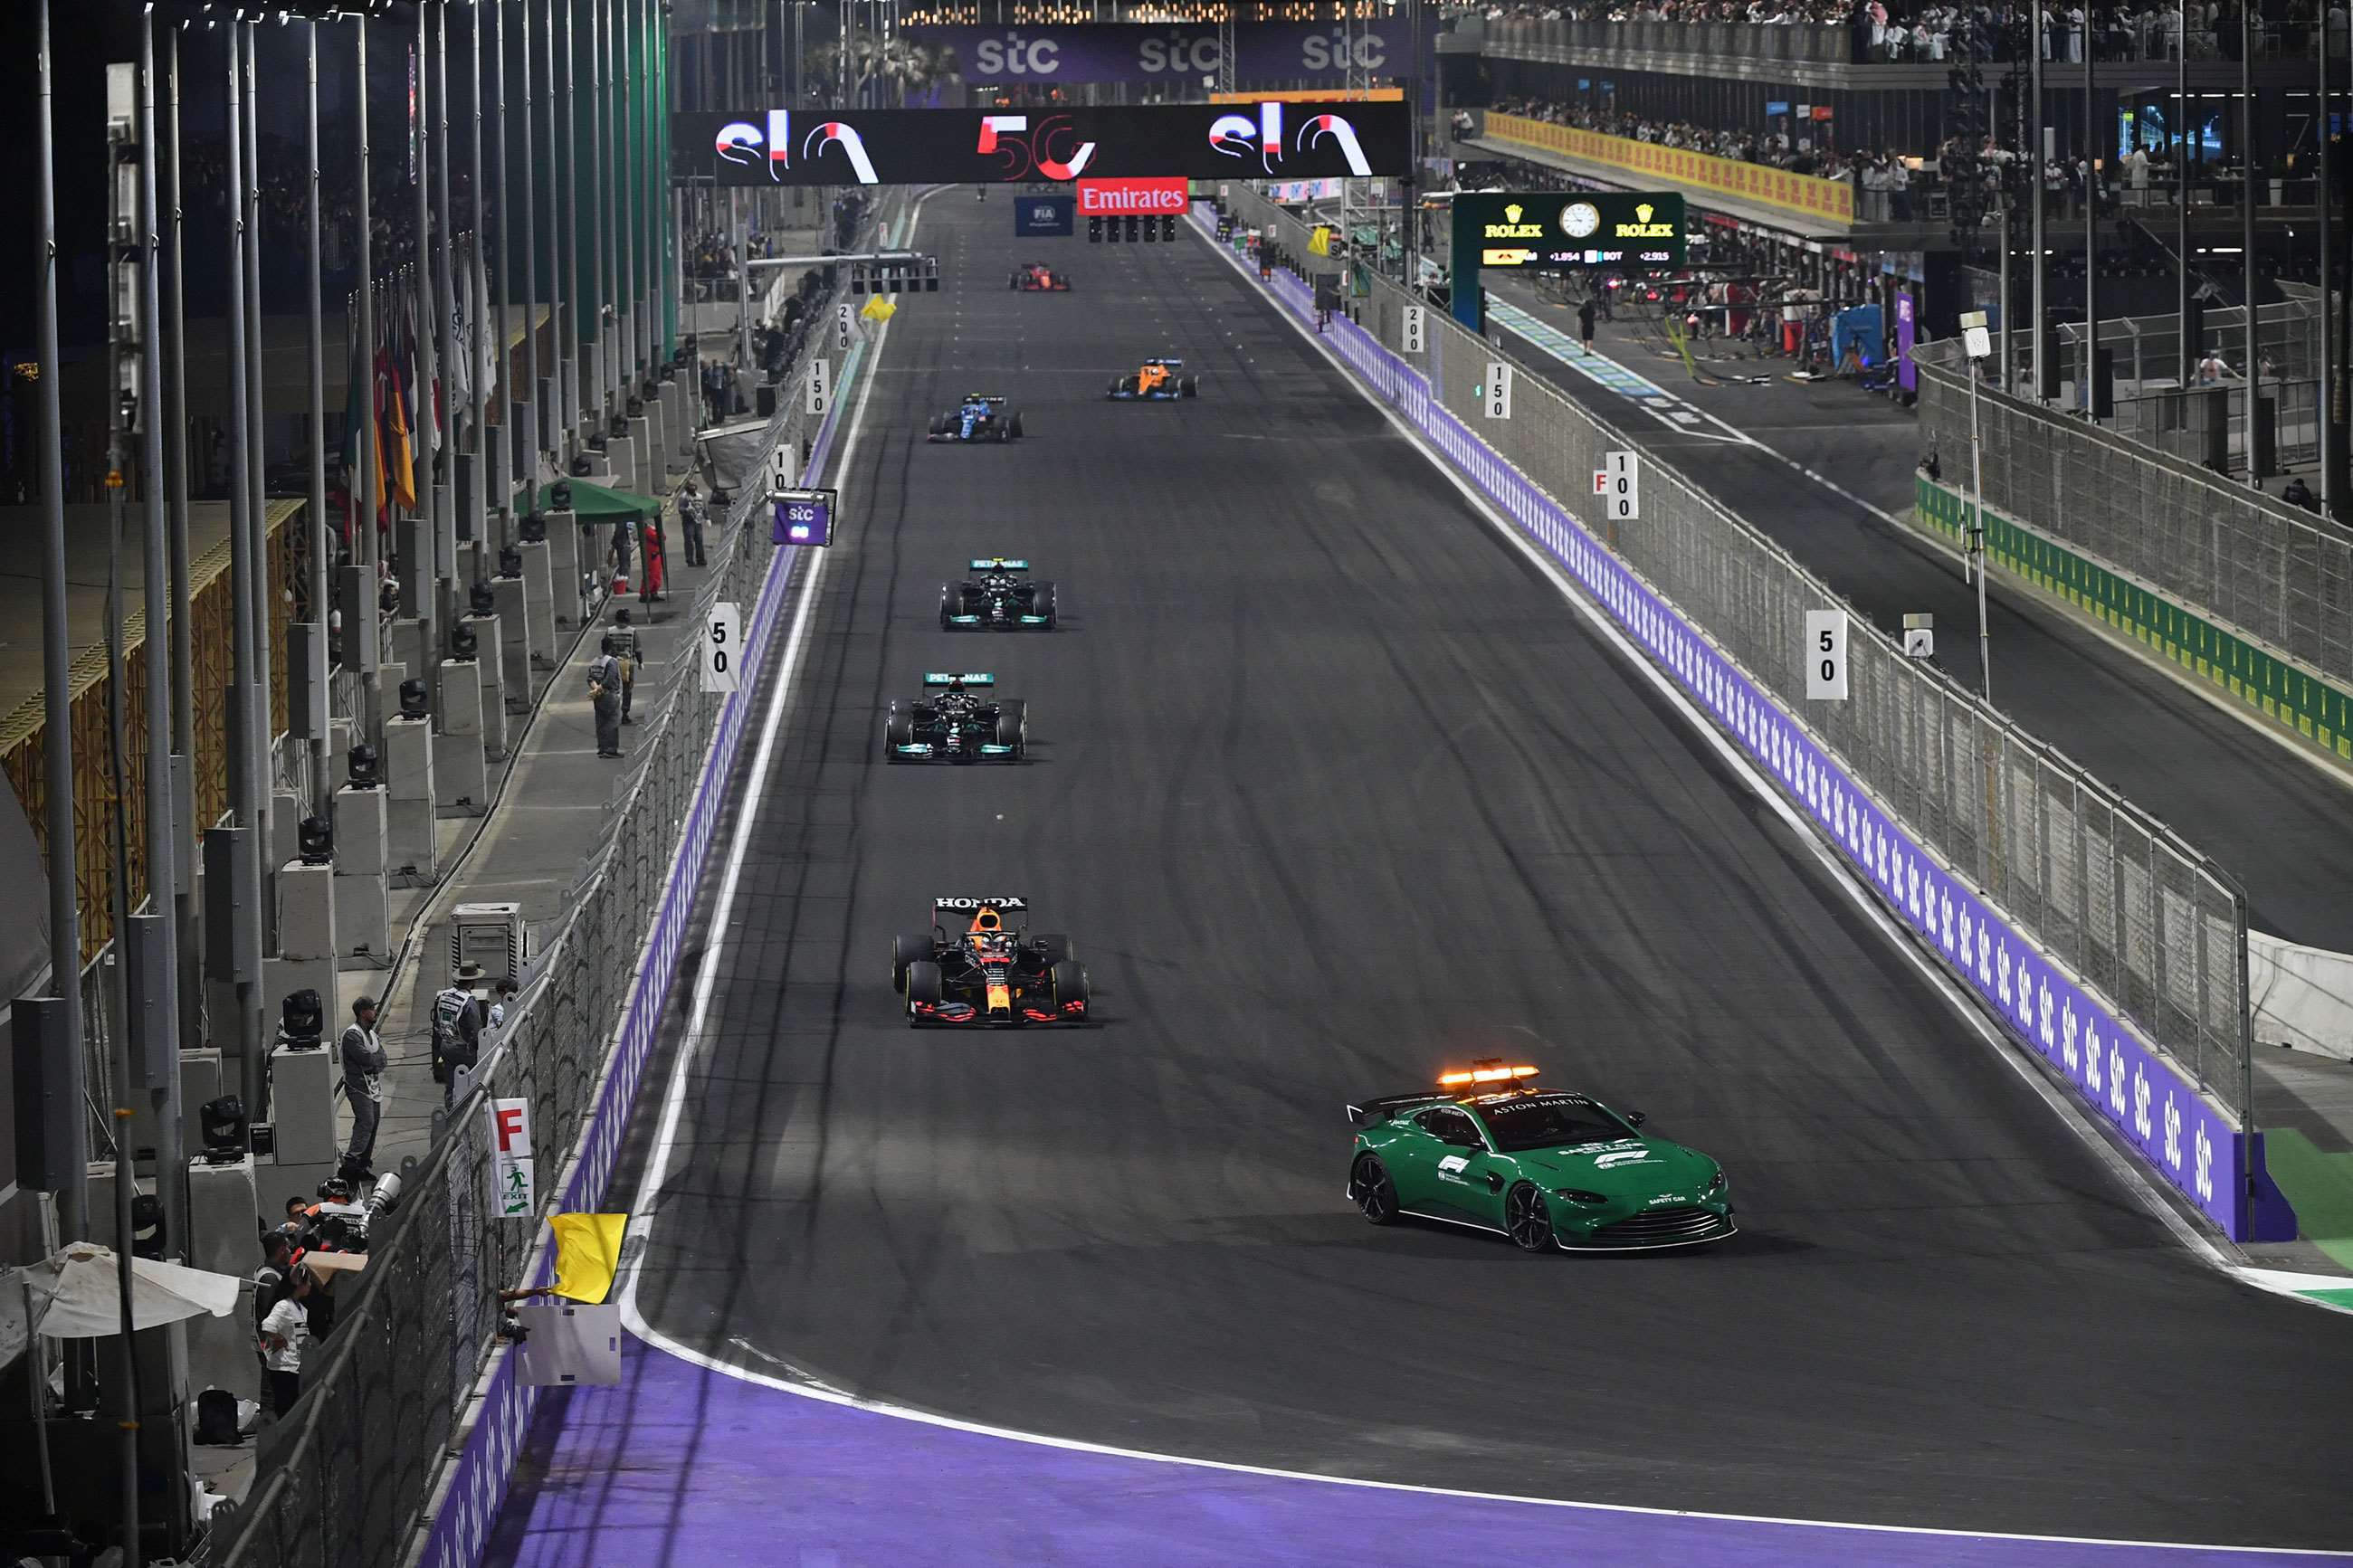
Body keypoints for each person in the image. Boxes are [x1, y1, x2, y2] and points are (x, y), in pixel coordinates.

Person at [338, 997, 386, 1182]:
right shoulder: (352, 1035)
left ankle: (363, 1164)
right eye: (372, 1009)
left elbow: (382, 1059)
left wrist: (374, 1063)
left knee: (373, 1123)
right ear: (362, 1012)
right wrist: (374, 1063)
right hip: (358, 1086)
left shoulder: (371, 1034)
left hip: (372, 1086)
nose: (375, 1012)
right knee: (366, 1121)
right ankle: (352, 1162)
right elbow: (366, 1058)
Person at [259, 1266, 314, 1419]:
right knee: (284, 1410)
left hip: (295, 1366)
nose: (310, 1285)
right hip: (283, 1367)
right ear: (299, 1283)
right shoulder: (284, 1305)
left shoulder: (300, 1308)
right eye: (308, 1281)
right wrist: (280, 1339)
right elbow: (267, 1326)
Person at [429, 965, 486, 1108]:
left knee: (451, 1082)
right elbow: (476, 1029)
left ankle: (450, 1109)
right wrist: (478, 1049)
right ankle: (471, 1110)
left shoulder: (444, 995)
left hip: (446, 1046)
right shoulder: (469, 1001)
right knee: (474, 1081)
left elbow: (438, 1022)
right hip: (464, 1049)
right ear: (473, 981)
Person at [589, 635, 624, 758]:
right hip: (610, 696)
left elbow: (590, 678)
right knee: (612, 722)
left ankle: (602, 748)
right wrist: (601, 687)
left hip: (597, 697)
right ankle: (610, 749)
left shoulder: (595, 661)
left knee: (601, 722)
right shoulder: (611, 661)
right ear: (611, 648)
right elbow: (610, 679)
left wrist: (595, 689)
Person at [608, 606, 641, 722]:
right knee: (627, 688)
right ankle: (625, 714)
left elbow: (605, 648)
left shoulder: (610, 631)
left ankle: (613, 713)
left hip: (612, 664)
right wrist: (640, 662)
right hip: (628, 664)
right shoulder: (632, 631)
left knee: (613, 689)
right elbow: (638, 649)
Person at [679, 479, 709, 568]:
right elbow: (680, 509)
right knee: (689, 541)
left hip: (698, 521)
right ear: (687, 487)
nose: (692, 487)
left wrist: (707, 518)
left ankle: (701, 559)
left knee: (699, 540)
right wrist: (687, 510)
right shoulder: (683, 497)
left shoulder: (700, 496)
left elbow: (704, 508)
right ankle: (690, 560)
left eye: (694, 485)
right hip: (688, 522)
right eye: (690, 485)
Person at [641, 518, 667, 606]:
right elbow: (660, 538)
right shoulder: (648, 531)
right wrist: (659, 531)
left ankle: (653, 592)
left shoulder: (649, 530)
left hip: (655, 554)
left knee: (656, 575)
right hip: (652, 555)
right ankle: (645, 593)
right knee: (652, 575)